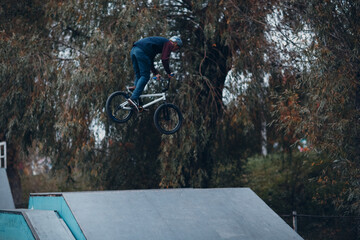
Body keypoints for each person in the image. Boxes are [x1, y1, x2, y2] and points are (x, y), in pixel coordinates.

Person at [128, 36, 183, 112]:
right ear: (175, 43)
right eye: (177, 48)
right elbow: (164, 59)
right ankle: (133, 98)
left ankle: (136, 92)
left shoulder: (157, 46)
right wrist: (169, 72)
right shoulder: (169, 44)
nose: (174, 50)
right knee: (145, 76)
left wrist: (156, 73)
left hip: (134, 51)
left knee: (139, 75)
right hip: (141, 52)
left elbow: (150, 60)